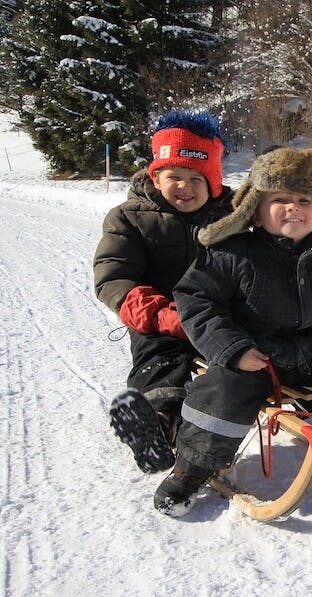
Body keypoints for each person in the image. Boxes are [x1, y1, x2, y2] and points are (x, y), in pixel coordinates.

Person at [155, 147, 312, 516]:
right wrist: (233, 349)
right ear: (256, 208)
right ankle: (191, 469)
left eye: (305, 199)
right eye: (280, 199)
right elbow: (197, 300)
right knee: (221, 393)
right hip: (257, 358)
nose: (294, 208)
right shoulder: (232, 253)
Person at [93, 110, 233, 474]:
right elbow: (114, 276)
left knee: (271, 345)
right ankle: (156, 422)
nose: (184, 186)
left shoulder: (231, 217)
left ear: (214, 183)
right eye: (174, 176)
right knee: (160, 356)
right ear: (156, 176)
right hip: (162, 316)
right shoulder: (130, 218)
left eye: (195, 178)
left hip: (221, 314)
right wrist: (158, 314)